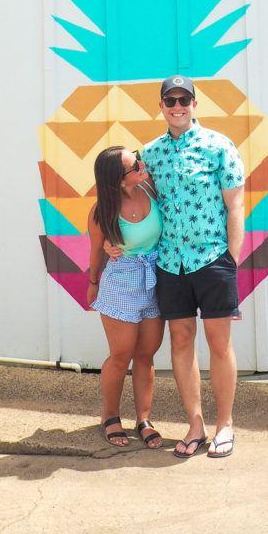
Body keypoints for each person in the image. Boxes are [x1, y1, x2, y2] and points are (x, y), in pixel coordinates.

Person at [142, 74, 245, 460]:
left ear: (195, 104)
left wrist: (230, 259)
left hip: (212, 259)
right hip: (170, 262)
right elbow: (130, 199)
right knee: (181, 342)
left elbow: (235, 205)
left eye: (184, 100)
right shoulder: (149, 154)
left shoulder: (219, 146)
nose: (178, 107)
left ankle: (225, 425)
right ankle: (196, 424)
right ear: (162, 106)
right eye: (171, 101)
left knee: (220, 344)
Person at [88, 145, 164, 449]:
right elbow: (95, 250)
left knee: (146, 354)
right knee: (121, 355)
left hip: (155, 277)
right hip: (122, 280)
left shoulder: (151, 187)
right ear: (119, 180)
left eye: (139, 161)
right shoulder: (102, 212)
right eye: (134, 167)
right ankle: (110, 417)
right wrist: (93, 281)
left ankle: (143, 419)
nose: (142, 166)